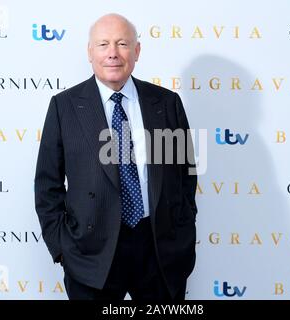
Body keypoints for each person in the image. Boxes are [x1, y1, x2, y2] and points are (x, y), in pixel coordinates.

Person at [34, 13, 197, 301]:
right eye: (103, 44)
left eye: (122, 43)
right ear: (89, 52)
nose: (112, 53)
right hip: (90, 252)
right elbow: (47, 185)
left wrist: (183, 235)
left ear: (136, 51)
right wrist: (62, 248)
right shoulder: (64, 106)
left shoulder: (167, 103)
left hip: (158, 250)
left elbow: (185, 176)